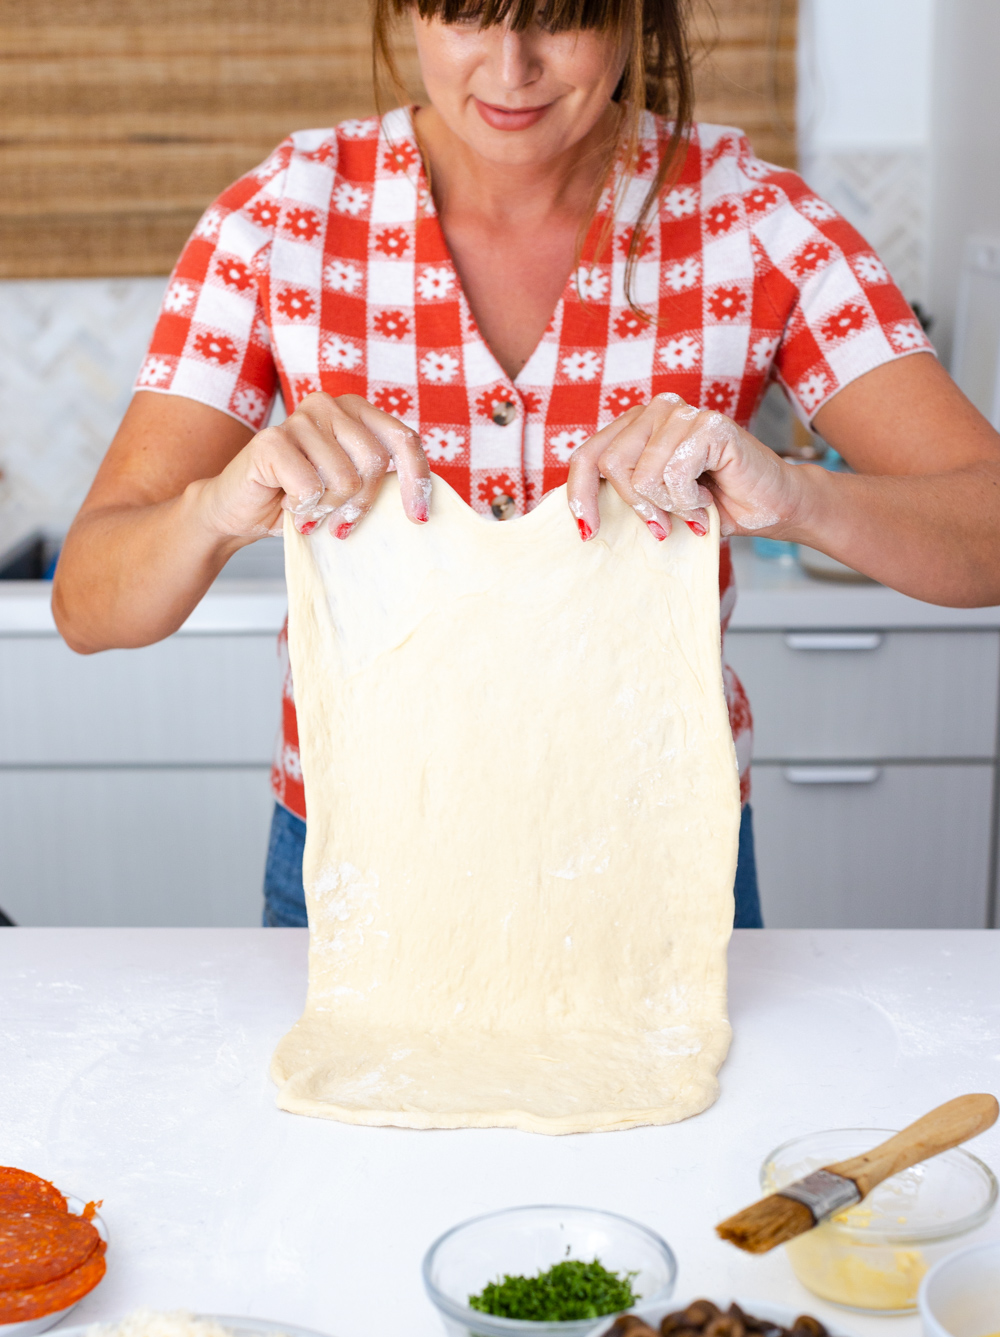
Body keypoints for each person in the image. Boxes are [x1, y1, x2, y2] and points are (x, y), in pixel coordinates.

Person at [52, 0, 1000, 931]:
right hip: (357, 855)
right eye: (468, 13)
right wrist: (216, 509)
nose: (513, 69)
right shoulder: (279, 221)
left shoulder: (757, 223)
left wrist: (799, 497)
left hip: (658, 860)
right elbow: (88, 604)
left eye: (561, 14)